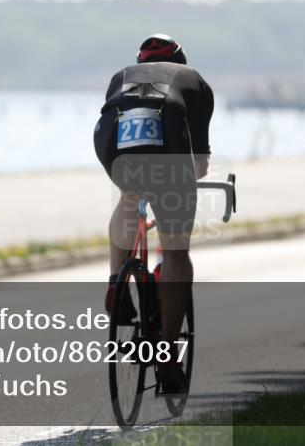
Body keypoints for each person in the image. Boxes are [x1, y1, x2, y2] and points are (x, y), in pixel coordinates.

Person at [93, 34, 214, 394]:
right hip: (170, 137)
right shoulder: (195, 82)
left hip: (111, 139)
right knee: (176, 250)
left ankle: (117, 283)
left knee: (129, 195)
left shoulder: (121, 76)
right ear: (182, 61)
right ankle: (167, 354)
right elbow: (200, 164)